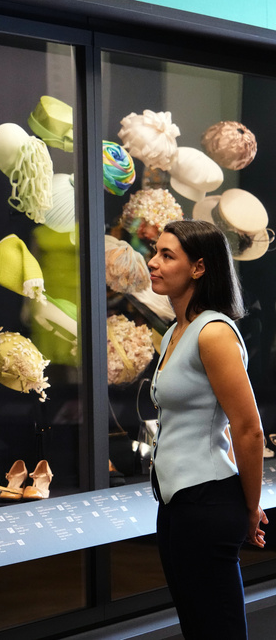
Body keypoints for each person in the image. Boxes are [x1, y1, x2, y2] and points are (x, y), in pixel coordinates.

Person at [146, 219, 267, 638]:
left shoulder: (213, 333)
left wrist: (250, 508)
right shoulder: (173, 334)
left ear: (199, 268)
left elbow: (248, 429)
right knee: (198, 629)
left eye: (167, 255)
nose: (153, 263)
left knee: (220, 632)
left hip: (209, 502)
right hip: (176, 505)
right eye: (155, 252)